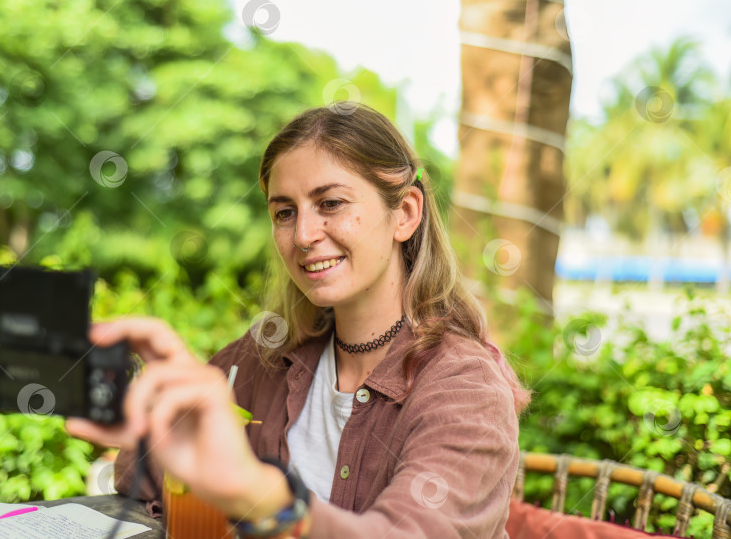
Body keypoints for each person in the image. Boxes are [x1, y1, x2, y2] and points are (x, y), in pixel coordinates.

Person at [66, 103, 531, 538]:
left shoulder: (464, 390)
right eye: (285, 213)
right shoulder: (266, 358)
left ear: (404, 213)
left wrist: (261, 495)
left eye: (330, 204)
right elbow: (138, 478)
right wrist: (154, 408)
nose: (304, 236)